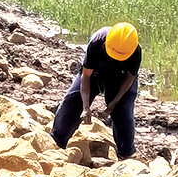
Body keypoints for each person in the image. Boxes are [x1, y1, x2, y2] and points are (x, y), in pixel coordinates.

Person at [51, 23, 141, 159]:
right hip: (94, 74)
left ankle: (126, 154)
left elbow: (129, 79)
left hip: (120, 79)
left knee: (124, 111)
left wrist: (115, 102)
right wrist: (86, 107)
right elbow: (86, 76)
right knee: (73, 100)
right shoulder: (97, 42)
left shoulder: (135, 51)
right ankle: (56, 142)